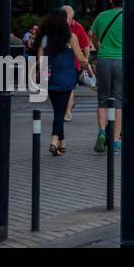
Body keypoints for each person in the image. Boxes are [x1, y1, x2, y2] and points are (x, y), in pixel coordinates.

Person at [36, 9, 87, 156]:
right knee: (60, 111)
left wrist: (44, 75)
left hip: (50, 76)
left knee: (58, 110)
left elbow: (40, 58)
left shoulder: (45, 37)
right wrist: (89, 70)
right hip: (66, 77)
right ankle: (53, 140)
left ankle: (62, 144)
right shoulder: (71, 37)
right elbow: (80, 57)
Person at [89, 0, 125, 154]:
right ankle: (116, 141)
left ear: (111, 1)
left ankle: (102, 131)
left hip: (103, 60)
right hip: (121, 60)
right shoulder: (128, 16)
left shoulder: (101, 16)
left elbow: (92, 35)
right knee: (118, 101)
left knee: (103, 98)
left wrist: (99, 47)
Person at [64, 5, 92, 122]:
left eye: (68, 17)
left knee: (69, 88)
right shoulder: (55, 27)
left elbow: (85, 47)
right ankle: (68, 107)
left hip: (73, 63)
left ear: (71, 17)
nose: (65, 19)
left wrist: (84, 62)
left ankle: (67, 112)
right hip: (58, 63)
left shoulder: (78, 28)